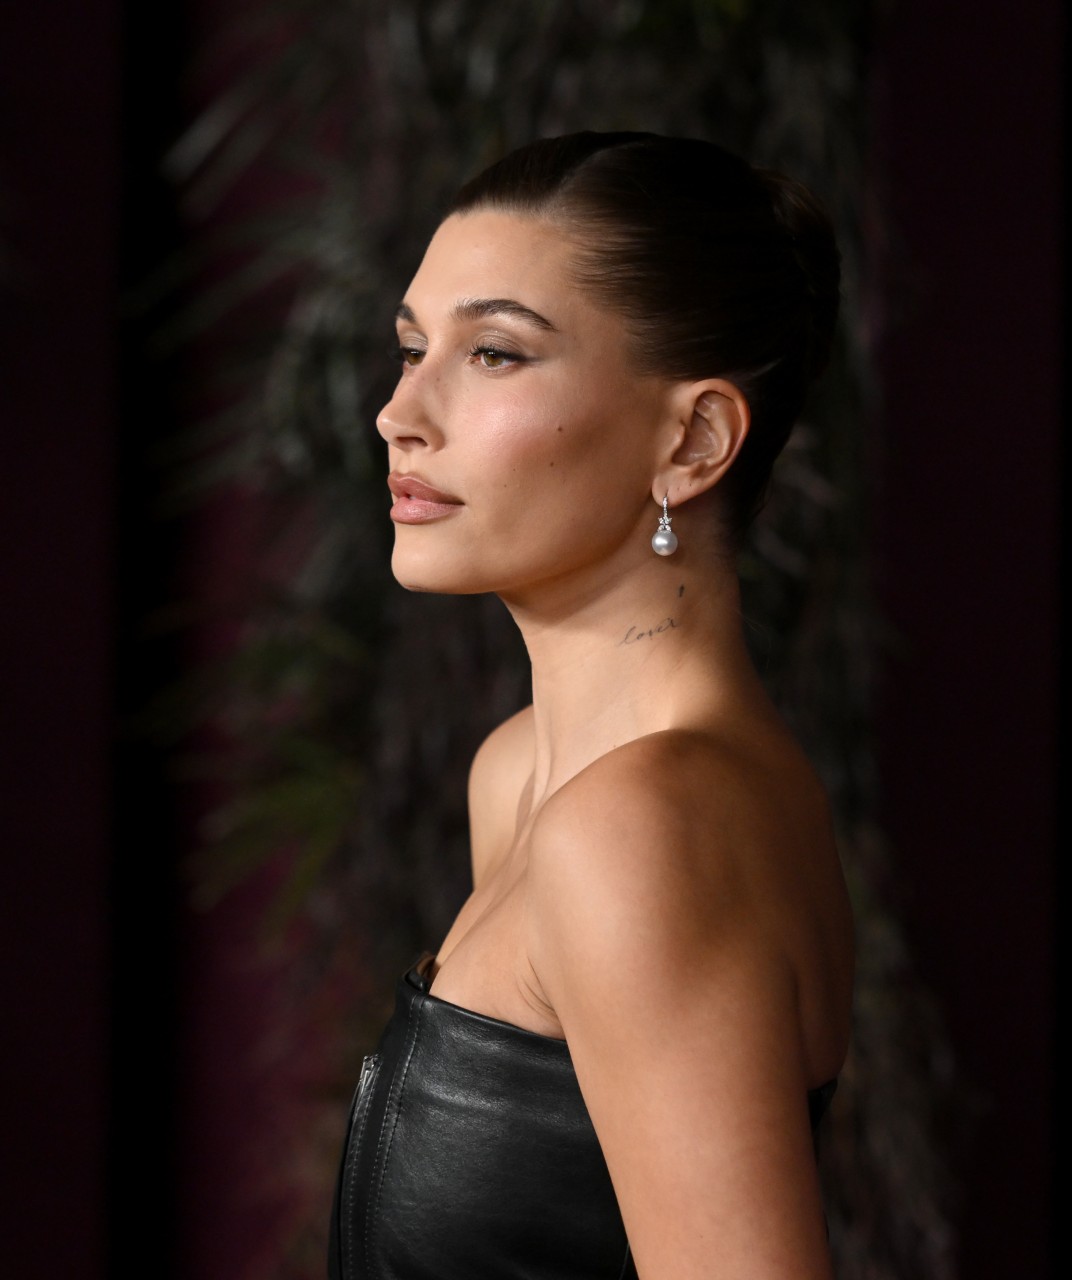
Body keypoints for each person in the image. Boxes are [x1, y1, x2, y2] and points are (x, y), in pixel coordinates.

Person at [328, 131, 855, 1280]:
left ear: (693, 439)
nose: (399, 413)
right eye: (413, 348)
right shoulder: (525, 774)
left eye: (496, 354)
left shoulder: (641, 825)